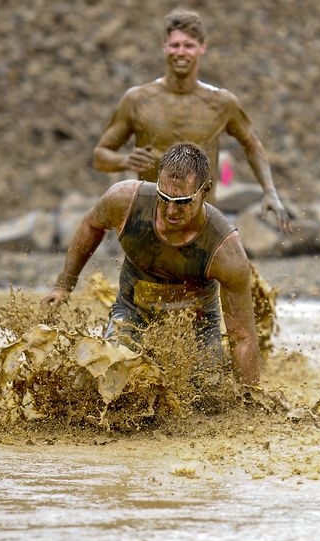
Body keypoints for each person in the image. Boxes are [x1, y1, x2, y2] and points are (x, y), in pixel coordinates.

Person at [41, 142, 259, 386]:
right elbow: (92, 224)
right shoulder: (125, 201)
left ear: (205, 190)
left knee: (210, 391)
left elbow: (242, 338)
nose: (171, 211)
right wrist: (64, 284)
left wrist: (249, 396)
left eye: (182, 201)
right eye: (163, 198)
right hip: (133, 310)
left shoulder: (225, 251)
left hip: (197, 325)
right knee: (110, 379)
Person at [92, 6, 291, 233]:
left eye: (188, 46)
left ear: (202, 47)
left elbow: (252, 145)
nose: (180, 52)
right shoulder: (137, 99)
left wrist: (270, 192)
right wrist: (124, 161)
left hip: (200, 225)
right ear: (164, 46)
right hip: (150, 222)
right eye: (175, 45)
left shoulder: (221, 102)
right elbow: (99, 157)